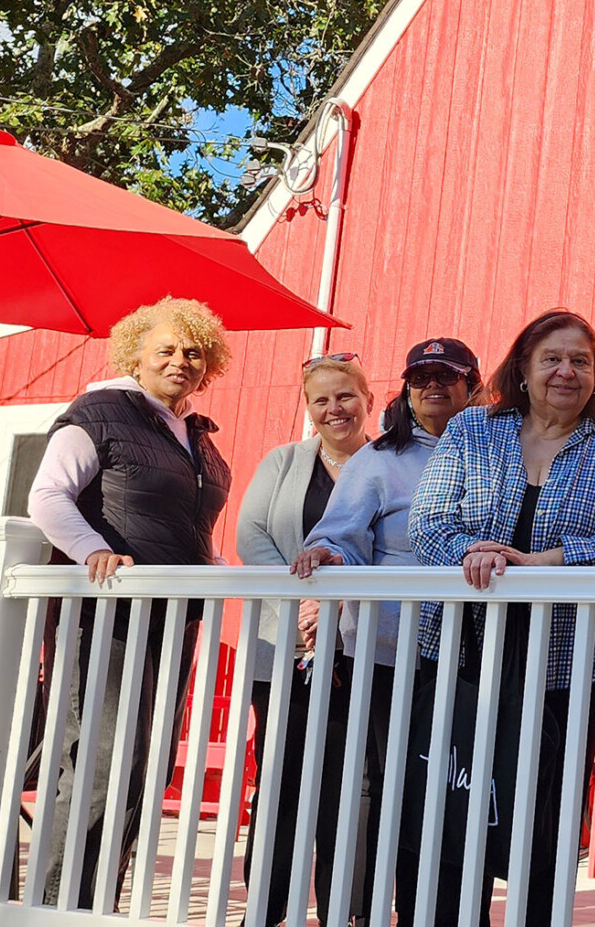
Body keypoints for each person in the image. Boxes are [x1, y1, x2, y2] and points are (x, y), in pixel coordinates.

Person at [399, 310, 595, 927]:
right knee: (453, 802)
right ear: (524, 369)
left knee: (545, 812)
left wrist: (543, 562)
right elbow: (428, 524)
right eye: (552, 358)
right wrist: (473, 555)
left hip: (564, 657)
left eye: (581, 361)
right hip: (462, 649)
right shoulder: (473, 430)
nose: (566, 371)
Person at [25, 297, 233, 910]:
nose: (180, 361)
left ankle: (99, 904)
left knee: (149, 766)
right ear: (135, 356)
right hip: (108, 615)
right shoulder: (101, 411)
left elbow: (183, 525)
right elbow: (49, 496)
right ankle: (53, 908)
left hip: (174, 619)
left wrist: (213, 568)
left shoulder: (194, 434)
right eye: (165, 349)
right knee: (100, 758)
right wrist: (93, 549)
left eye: (193, 352)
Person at [287, 338, 475, 923]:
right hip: (390, 647)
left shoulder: (499, 450)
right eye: (421, 379)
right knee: (385, 782)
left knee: (453, 785)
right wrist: (327, 554)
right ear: (406, 390)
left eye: (447, 377)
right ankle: (365, 911)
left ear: (472, 385)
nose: (433, 388)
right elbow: (340, 531)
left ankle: (438, 910)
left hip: (473, 649)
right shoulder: (380, 460)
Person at [235, 352, 375, 926]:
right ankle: (267, 910)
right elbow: (252, 536)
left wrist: (336, 603)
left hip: (362, 651)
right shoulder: (283, 462)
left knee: (353, 786)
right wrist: (304, 605)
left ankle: (343, 910)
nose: (334, 408)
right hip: (285, 647)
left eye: (345, 395)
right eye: (321, 399)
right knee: (283, 781)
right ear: (308, 408)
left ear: (367, 398)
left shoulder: (386, 461)